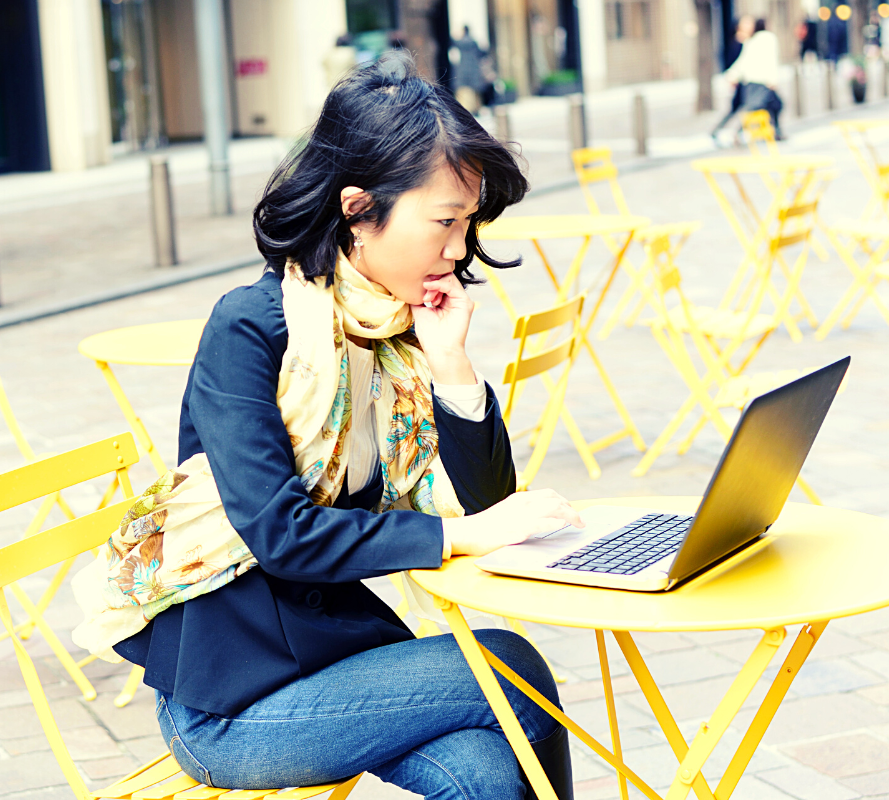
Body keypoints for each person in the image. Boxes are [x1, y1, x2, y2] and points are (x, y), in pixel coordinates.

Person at [72, 53, 581, 800]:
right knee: (512, 666)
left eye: (468, 223)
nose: (457, 249)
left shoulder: (389, 329)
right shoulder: (252, 330)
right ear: (355, 209)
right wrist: (451, 539)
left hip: (337, 660)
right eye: (443, 222)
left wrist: (453, 368)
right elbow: (280, 531)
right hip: (234, 705)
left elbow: (487, 508)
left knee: (489, 774)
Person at [724, 18, 785, 140]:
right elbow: (771, 60)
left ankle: (775, 132)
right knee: (756, 108)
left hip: (752, 81)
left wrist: (732, 75)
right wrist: (773, 79)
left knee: (774, 105)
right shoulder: (768, 38)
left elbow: (743, 61)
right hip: (762, 82)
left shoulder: (751, 40)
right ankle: (739, 132)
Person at [712, 15, 756, 142]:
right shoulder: (737, 42)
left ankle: (735, 132)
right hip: (739, 82)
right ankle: (728, 131)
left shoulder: (748, 41)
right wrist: (732, 77)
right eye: (746, 23)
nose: (750, 26)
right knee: (742, 108)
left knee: (743, 107)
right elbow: (732, 62)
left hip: (746, 81)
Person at [453, 25, 487, 113]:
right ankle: (476, 108)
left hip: (463, 68)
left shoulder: (460, 42)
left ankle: (465, 109)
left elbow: (451, 43)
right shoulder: (474, 42)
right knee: (475, 89)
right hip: (473, 68)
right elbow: (481, 54)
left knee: (464, 90)